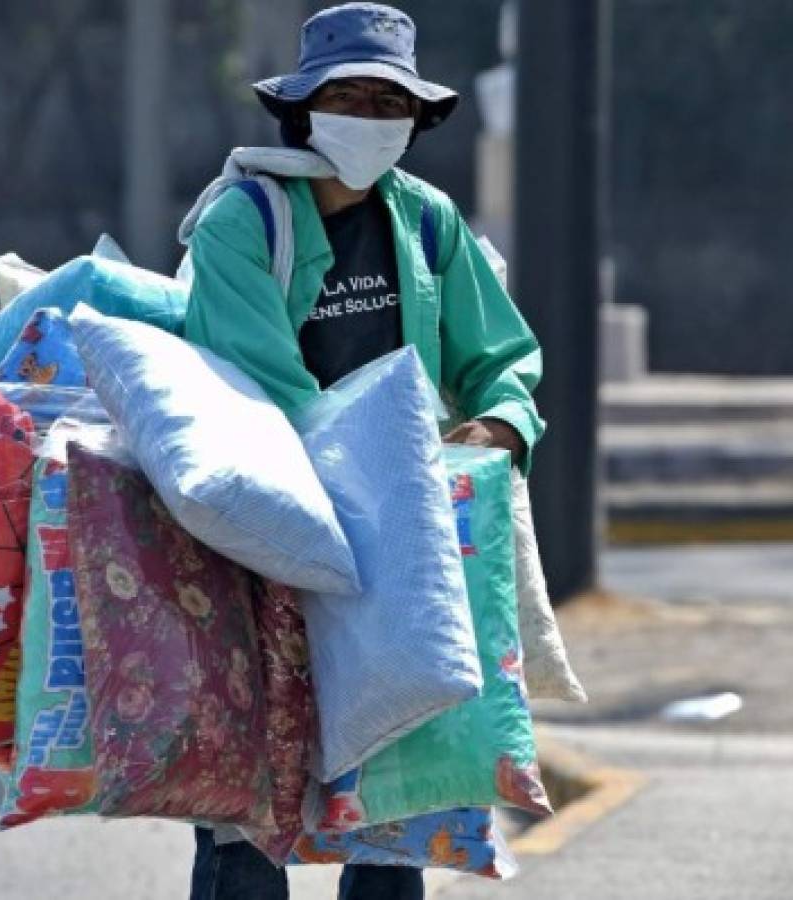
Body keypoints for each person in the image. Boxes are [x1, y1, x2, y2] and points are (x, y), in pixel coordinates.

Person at [183, 4, 544, 898]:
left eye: (391, 105)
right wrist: (372, 484)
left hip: (400, 544)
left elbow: (498, 358)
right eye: (349, 97)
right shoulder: (243, 222)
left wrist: (501, 423)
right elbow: (264, 389)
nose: (371, 119)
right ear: (303, 109)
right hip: (262, 532)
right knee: (247, 813)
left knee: (396, 804)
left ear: (417, 120)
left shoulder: (427, 221)